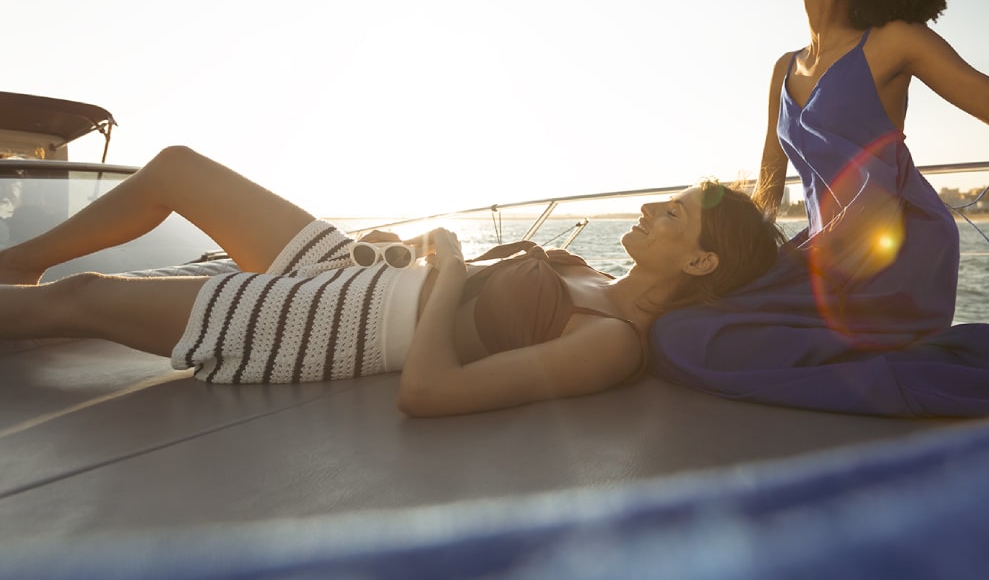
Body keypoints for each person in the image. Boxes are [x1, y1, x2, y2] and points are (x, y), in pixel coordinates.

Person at [649, 0, 989, 416]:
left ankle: (898, 367)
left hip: (895, 253)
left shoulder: (894, 42)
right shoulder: (784, 67)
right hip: (824, 252)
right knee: (682, 315)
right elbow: (770, 184)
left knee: (681, 337)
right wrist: (745, 269)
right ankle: (843, 355)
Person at [0, 146, 783, 417]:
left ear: (700, 263)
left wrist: (445, 279)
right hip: (354, 270)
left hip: (340, 324)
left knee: (86, 299)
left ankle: (27, 287)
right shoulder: (597, 278)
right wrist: (420, 255)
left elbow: (428, 394)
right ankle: (19, 259)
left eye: (674, 215)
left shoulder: (611, 344)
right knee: (175, 168)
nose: (652, 206)